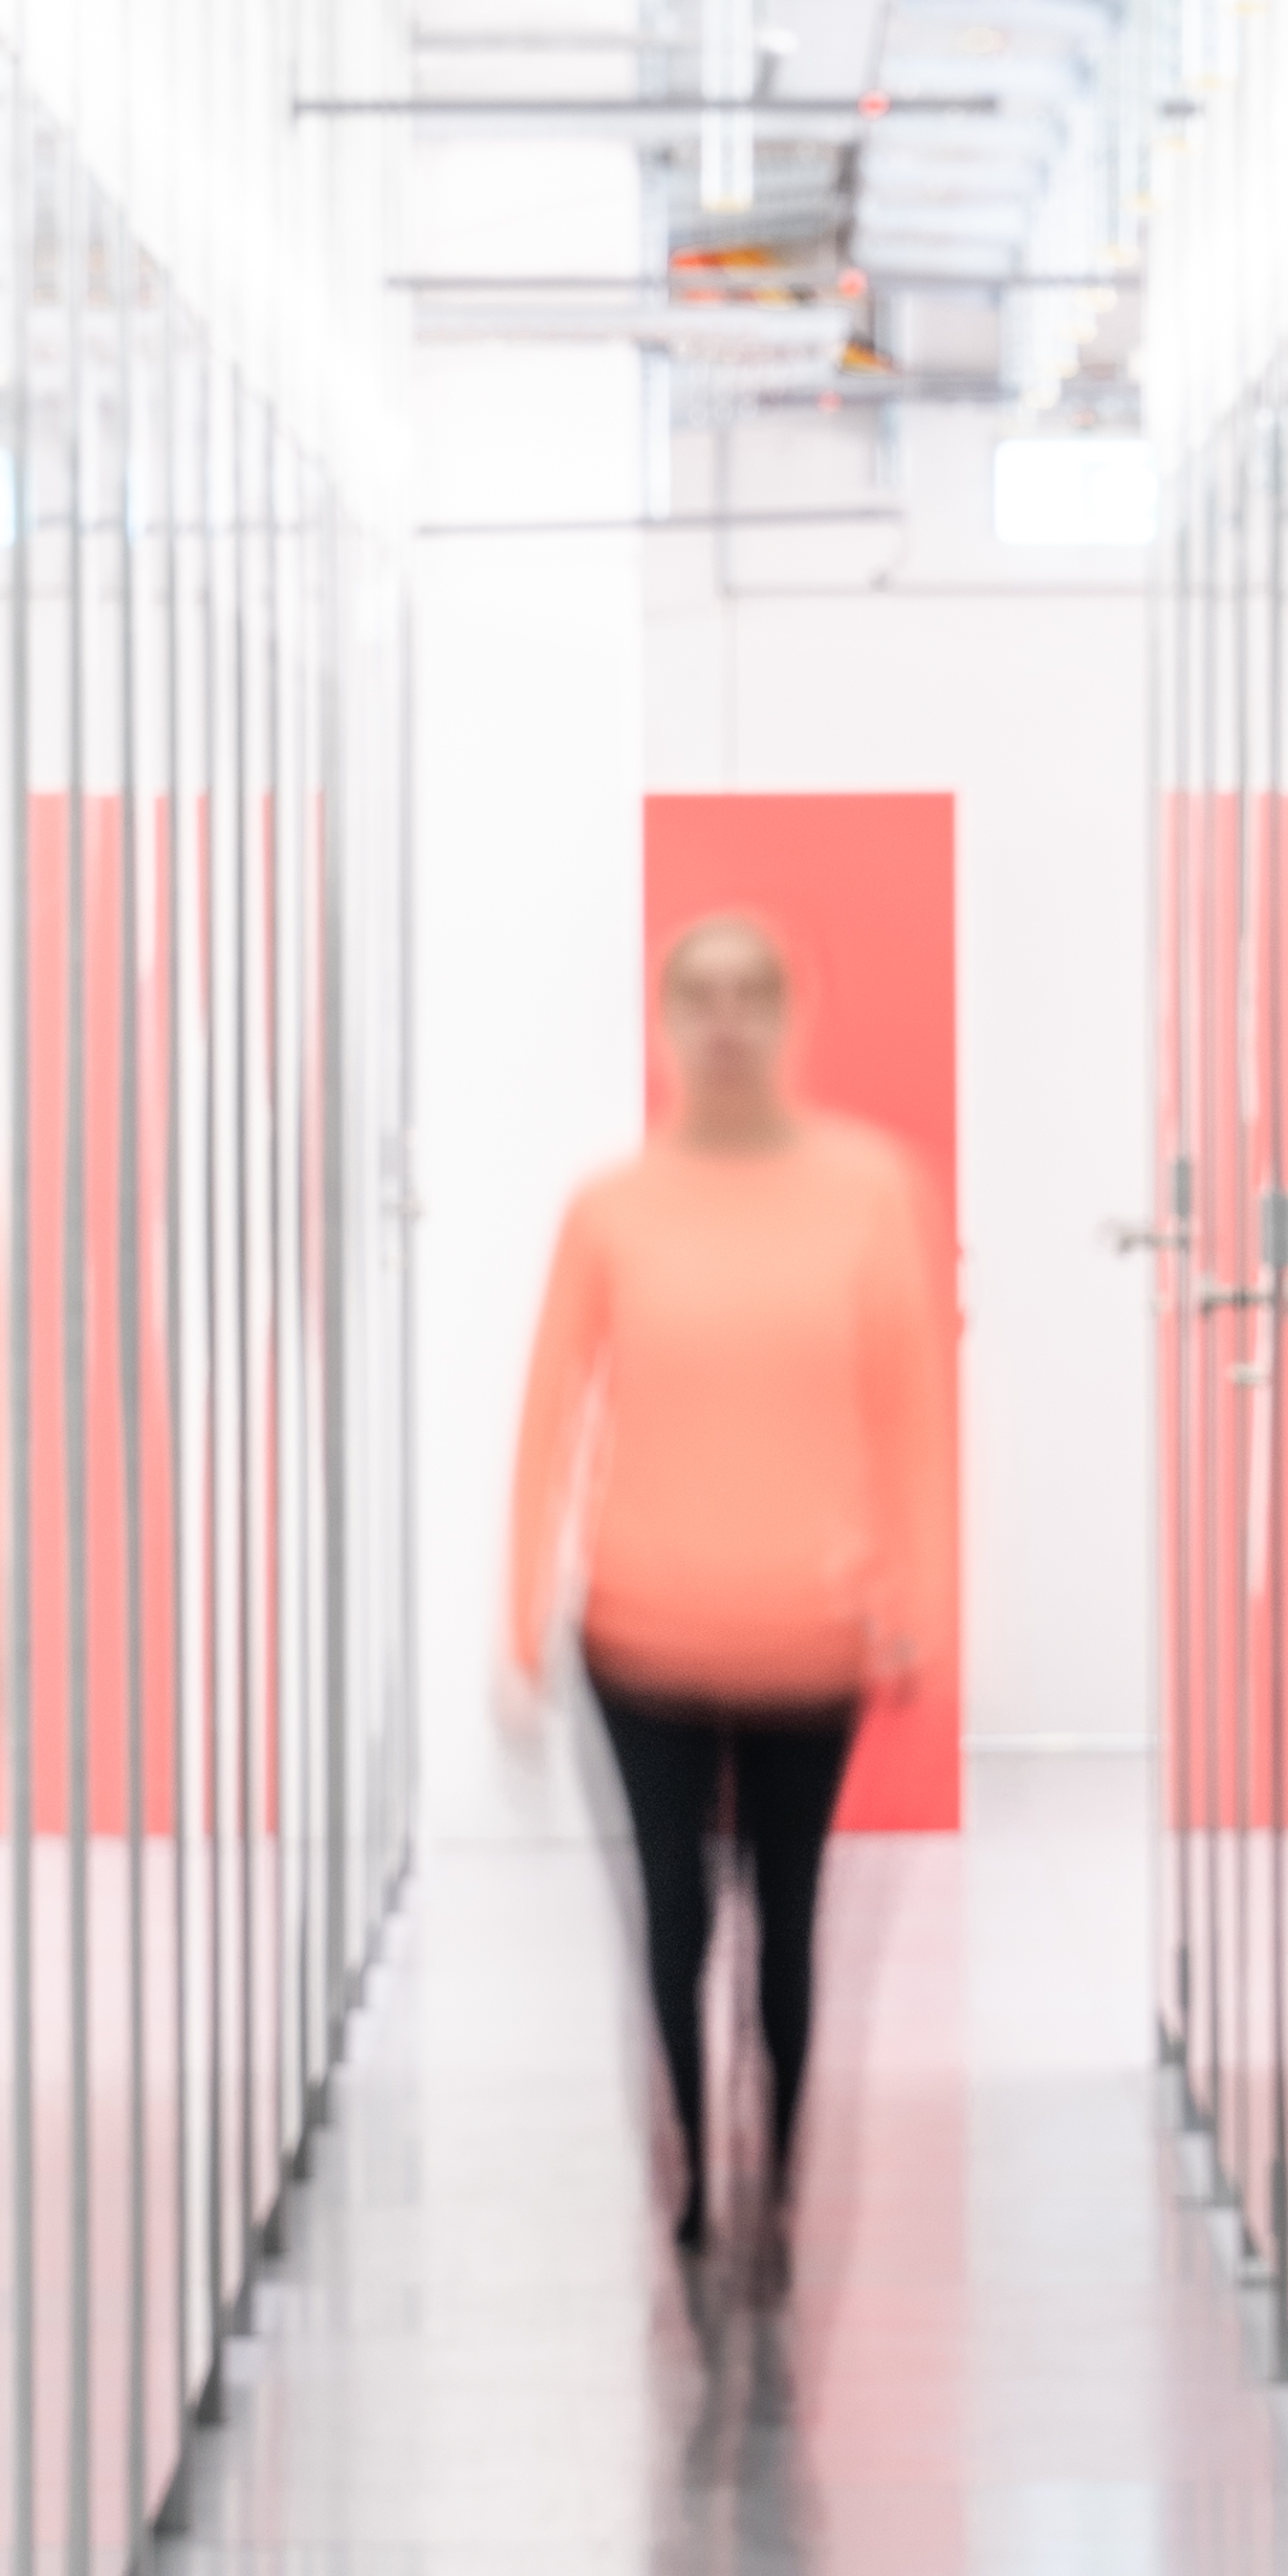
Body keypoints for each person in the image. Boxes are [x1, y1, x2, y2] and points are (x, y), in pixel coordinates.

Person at [500, 913, 955, 2257]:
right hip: (639, 1633)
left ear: (790, 1014)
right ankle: (697, 2168)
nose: (726, 1021)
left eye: (753, 992)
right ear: (664, 1020)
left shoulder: (869, 1193)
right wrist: (521, 1621)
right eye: (698, 994)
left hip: (810, 1635)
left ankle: (781, 2171)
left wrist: (922, 1602)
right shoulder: (609, 1211)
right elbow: (547, 1419)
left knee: (787, 1918)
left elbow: (912, 1413)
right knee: (677, 1911)